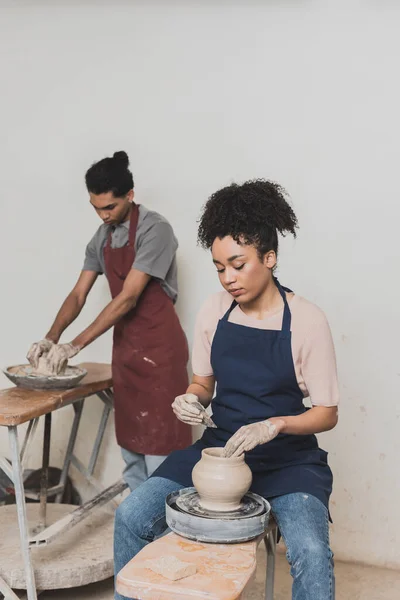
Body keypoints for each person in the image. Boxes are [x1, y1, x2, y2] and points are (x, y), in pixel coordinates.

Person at [113, 179, 339, 600]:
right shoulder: (215, 311)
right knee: (130, 515)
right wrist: (191, 398)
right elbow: (202, 383)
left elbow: (327, 412)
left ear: (269, 258)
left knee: (310, 550)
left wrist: (272, 425)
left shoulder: (307, 320)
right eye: (219, 268)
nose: (228, 279)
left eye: (238, 264)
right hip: (219, 449)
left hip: (289, 461)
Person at [27, 151, 191, 490]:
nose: (103, 216)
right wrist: (51, 338)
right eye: (96, 208)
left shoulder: (155, 229)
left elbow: (129, 297)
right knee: (132, 446)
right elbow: (77, 295)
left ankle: (165, 535)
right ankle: (137, 529)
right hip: (127, 351)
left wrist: (75, 345)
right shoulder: (102, 238)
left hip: (159, 351)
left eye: (110, 208)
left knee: (161, 449)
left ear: (130, 196)